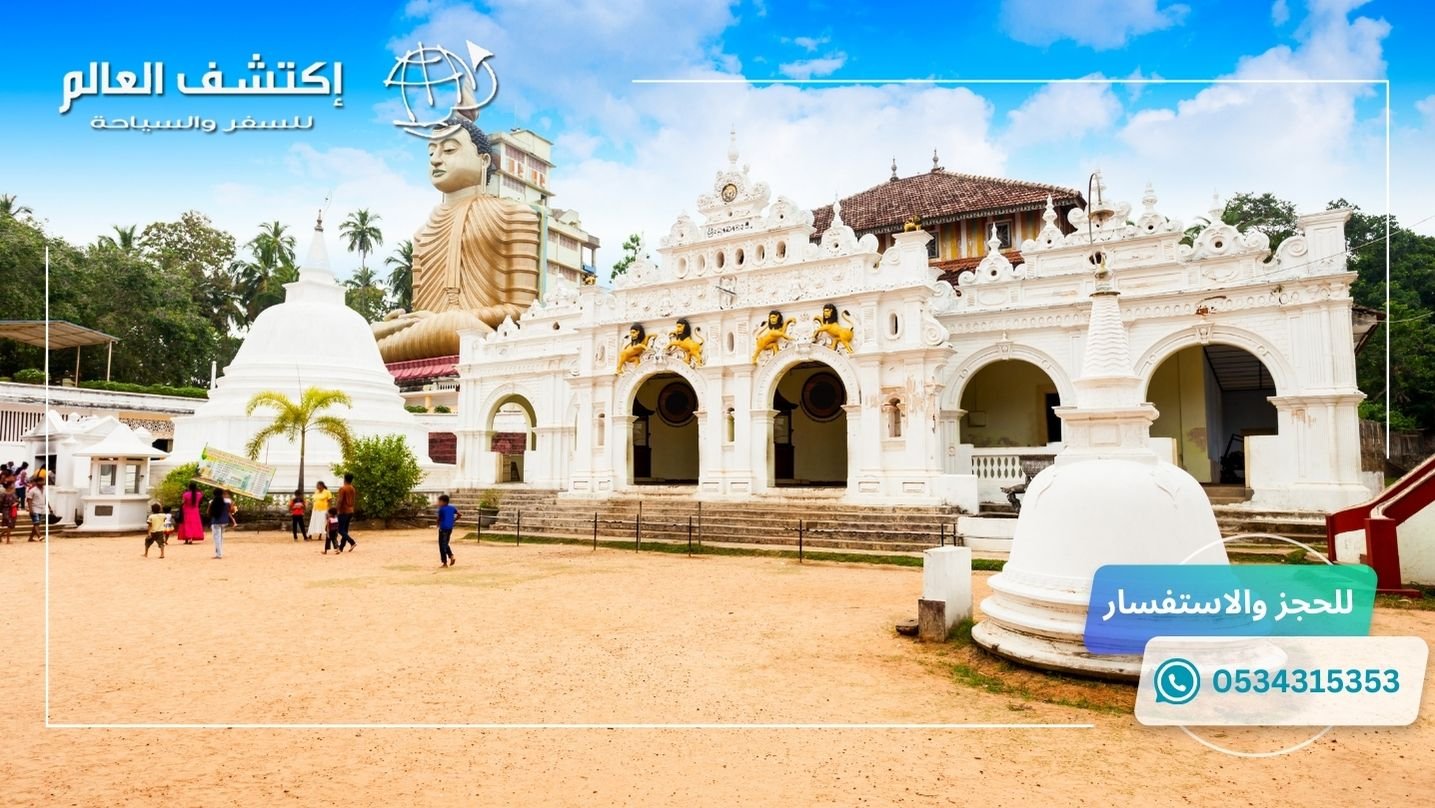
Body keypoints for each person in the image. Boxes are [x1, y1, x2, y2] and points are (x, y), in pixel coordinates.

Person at [371, 112, 541, 363]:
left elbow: (524, 310)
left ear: (483, 160)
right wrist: (404, 321)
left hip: (483, 335)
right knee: (366, 332)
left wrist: (449, 320)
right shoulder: (422, 234)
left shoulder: (515, 214)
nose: (436, 160)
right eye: (431, 153)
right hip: (428, 336)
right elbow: (421, 314)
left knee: (452, 325)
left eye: (449, 150)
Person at [208, 488, 234, 559]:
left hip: (216, 522)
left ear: (214, 494)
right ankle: (220, 552)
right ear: (222, 493)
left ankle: (218, 554)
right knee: (221, 537)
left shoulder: (211, 501)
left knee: (216, 538)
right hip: (224, 521)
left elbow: (208, 512)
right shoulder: (228, 501)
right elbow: (231, 510)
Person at [435, 494, 460, 567]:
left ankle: (445, 562)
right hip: (450, 528)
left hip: (443, 529)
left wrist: (437, 524)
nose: (438, 503)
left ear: (444, 502)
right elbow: (459, 514)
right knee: (445, 543)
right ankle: (451, 556)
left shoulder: (441, 509)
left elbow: (439, 518)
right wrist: (454, 520)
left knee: (442, 545)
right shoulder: (452, 508)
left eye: (439, 501)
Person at [335, 473, 357, 552]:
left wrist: (336, 510)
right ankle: (341, 547)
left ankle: (352, 542)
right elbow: (353, 500)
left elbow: (340, 500)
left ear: (344, 479)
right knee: (345, 530)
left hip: (343, 511)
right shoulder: (352, 488)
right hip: (350, 510)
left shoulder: (343, 488)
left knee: (340, 529)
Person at [25, 477, 47, 542]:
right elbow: (29, 500)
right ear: (36, 482)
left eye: (43, 481)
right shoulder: (32, 490)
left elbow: (46, 498)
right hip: (35, 508)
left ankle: (30, 538)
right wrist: (30, 509)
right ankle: (39, 536)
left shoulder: (45, 489)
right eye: (41, 481)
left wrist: (49, 507)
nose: (42, 482)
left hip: (41, 508)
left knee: (36, 523)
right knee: (36, 523)